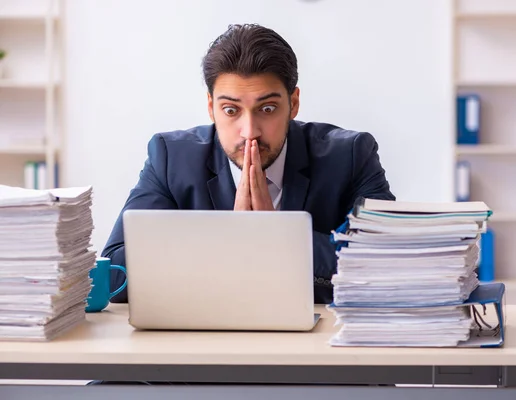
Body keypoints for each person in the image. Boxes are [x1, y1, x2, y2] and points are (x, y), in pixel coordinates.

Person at [102, 23, 395, 306]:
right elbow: (115, 276)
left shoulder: (351, 155)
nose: (249, 130)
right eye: (231, 110)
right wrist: (229, 237)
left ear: (293, 103)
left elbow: (387, 265)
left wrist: (279, 237)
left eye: (267, 109)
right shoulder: (171, 158)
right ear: (211, 108)